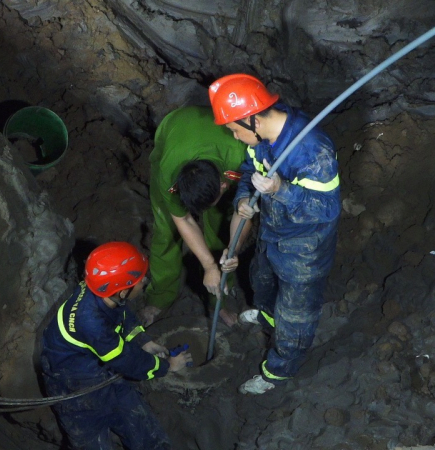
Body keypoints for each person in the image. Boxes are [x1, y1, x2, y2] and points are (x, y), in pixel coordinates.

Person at [209, 74, 341, 395]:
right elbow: (248, 173)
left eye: (235, 129)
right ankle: (268, 317)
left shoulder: (312, 151)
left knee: (295, 316)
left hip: (304, 247)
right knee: (262, 280)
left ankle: (277, 372)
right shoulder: (262, 139)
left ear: (251, 119)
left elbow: (324, 211)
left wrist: (281, 190)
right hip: (272, 230)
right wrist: (243, 199)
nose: (236, 137)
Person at [40, 242, 193, 450]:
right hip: (74, 388)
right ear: (122, 292)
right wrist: (167, 366)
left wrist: (143, 341)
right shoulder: (91, 322)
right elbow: (126, 360)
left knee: (147, 434)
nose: (145, 281)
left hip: (100, 369)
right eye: (140, 280)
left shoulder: (99, 290)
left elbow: (120, 313)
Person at [143, 105, 250, 327]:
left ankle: (218, 299)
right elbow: (183, 219)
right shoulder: (169, 172)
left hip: (216, 138)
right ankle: (161, 296)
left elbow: (245, 210)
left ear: (224, 185)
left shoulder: (239, 156)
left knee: (220, 228)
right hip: (175, 126)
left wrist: (233, 250)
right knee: (166, 231)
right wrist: (209, 266)